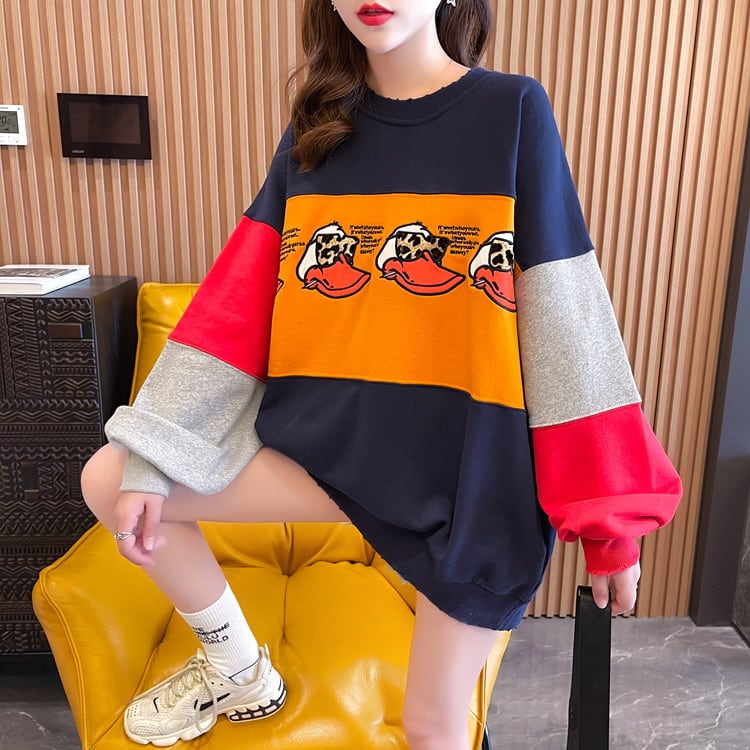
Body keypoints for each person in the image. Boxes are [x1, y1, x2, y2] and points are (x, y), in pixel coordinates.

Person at [81, 1, 683, 748]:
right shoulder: (318, 129)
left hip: (466, 480)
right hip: (331, 452)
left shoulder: (511, 111)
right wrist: (156, 450)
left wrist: (608, 517)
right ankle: (238, 670)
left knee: (432, 726)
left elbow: (564, 310)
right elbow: (239, 300)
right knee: (112, 477)